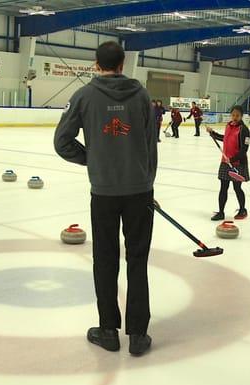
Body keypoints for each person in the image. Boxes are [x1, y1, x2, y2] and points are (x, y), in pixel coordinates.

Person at [54, 41, 157, 356]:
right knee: (137, 261)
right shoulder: (142, 96)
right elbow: (150, 144)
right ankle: (138, 335)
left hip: (104, 193)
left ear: (96, 64)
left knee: (106, 260)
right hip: (139, 191)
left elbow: (62, 142)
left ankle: (108, 330)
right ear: (123, 64)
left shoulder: (84, 96)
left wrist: (93, 159)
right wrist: (146, 180)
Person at [206, 105, 250, 221]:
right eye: (233, 115)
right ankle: (221, 212)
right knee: (223, 188)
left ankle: (242, 209)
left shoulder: (244, 130)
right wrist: (213, 134)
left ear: (241, 116)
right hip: (225, 162)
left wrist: (233, 159)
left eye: (237, 115)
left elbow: (244, 149)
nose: (235, 117)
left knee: (237, 188)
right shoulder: (228, 126)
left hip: (238, 163)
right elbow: (225, 138)